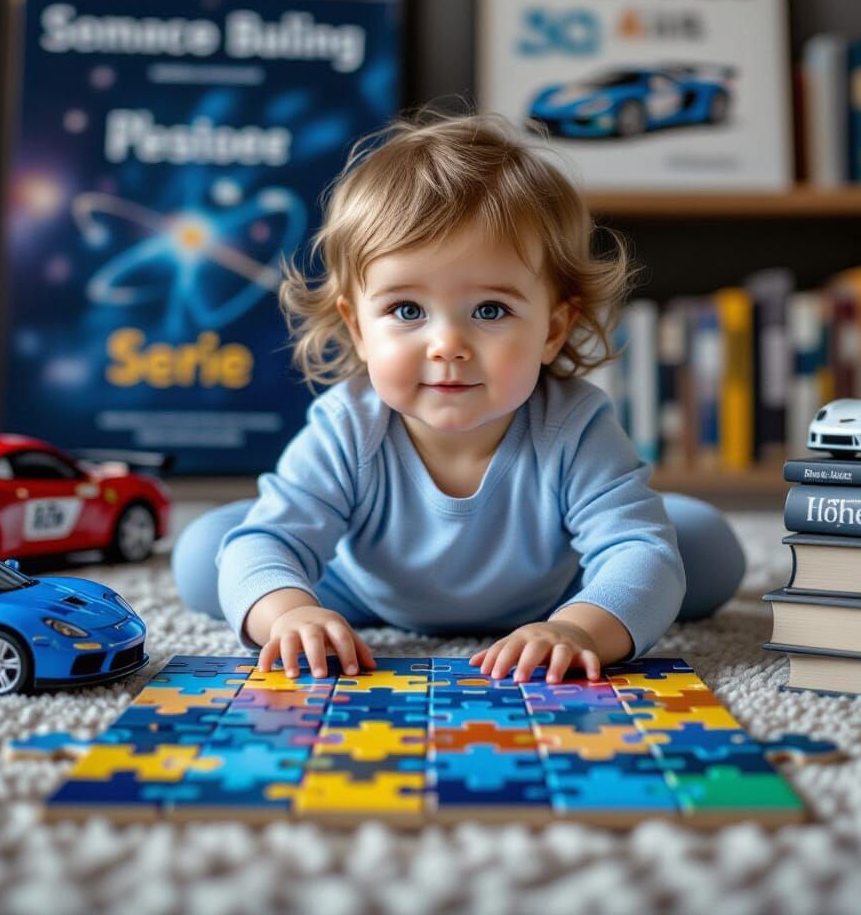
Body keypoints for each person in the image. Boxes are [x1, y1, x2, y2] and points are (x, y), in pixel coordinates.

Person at [173, 111, 746, 684]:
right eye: (407, 310)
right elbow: (270, 542)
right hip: (359, 590)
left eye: (490, 311)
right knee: (209, 555)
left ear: (552, 328)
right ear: (357, 328)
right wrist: (294, 614)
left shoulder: (574, 424)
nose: (447, 345)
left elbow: (638, 555)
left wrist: (576, 628)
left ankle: (587, 597)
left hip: (551, 593)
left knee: (704, 550)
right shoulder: (348, 423)